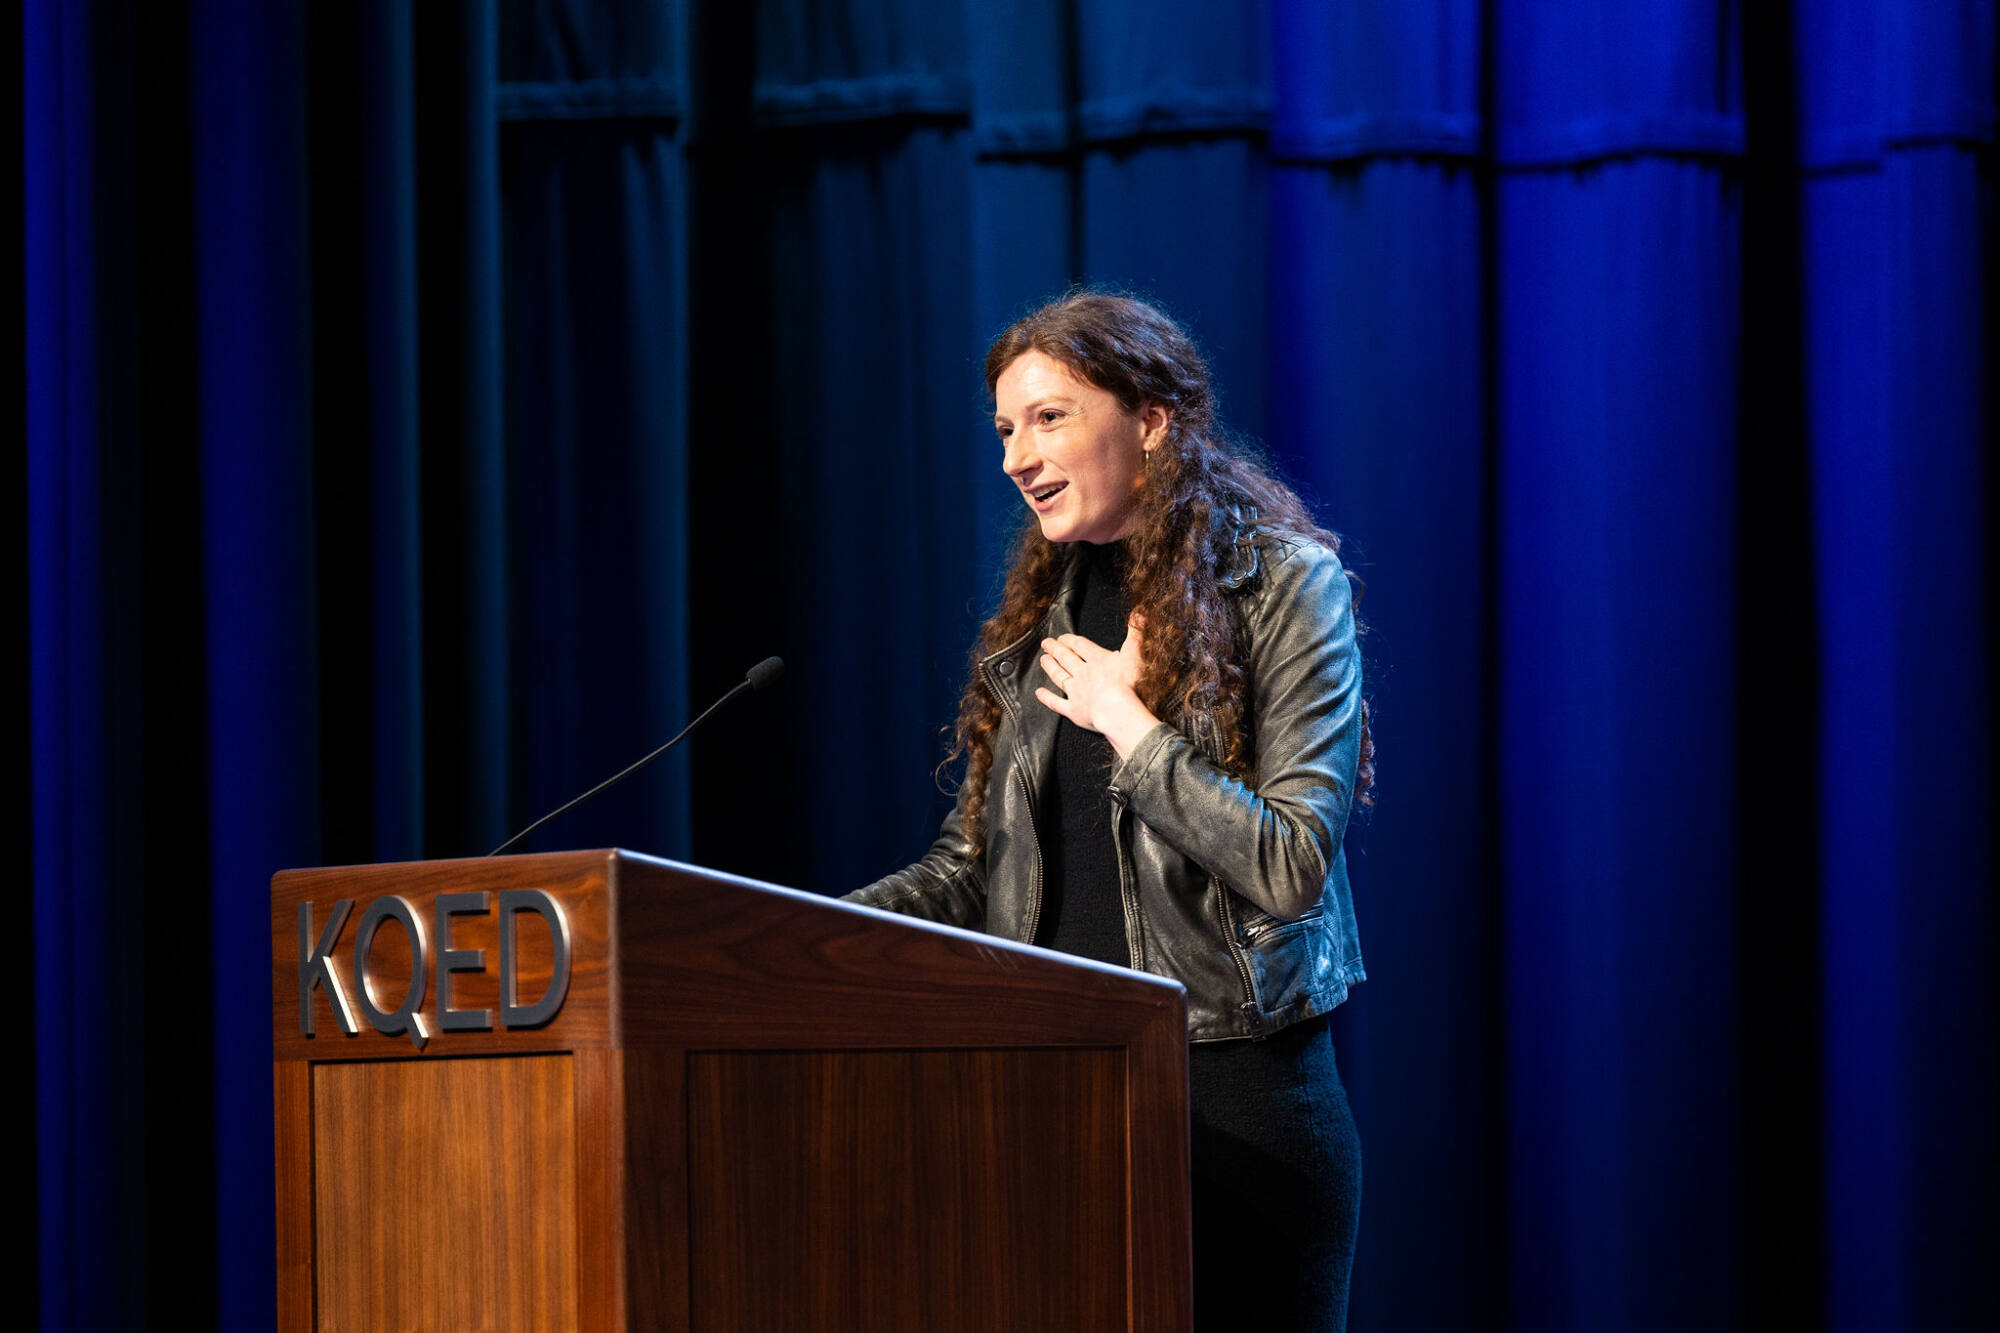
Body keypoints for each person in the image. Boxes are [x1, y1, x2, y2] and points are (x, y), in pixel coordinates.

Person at [846, 290, 1372, 1331]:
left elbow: (1289, 863)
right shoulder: (1036, 631)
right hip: (1059, 1111)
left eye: (1050, 417)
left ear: (1151, 419)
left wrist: (1129, 725)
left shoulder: (1282, 587)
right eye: (1005, 428)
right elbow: (970, 871)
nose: (1016, 456)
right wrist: (800, 929)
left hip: (1240, 1117)